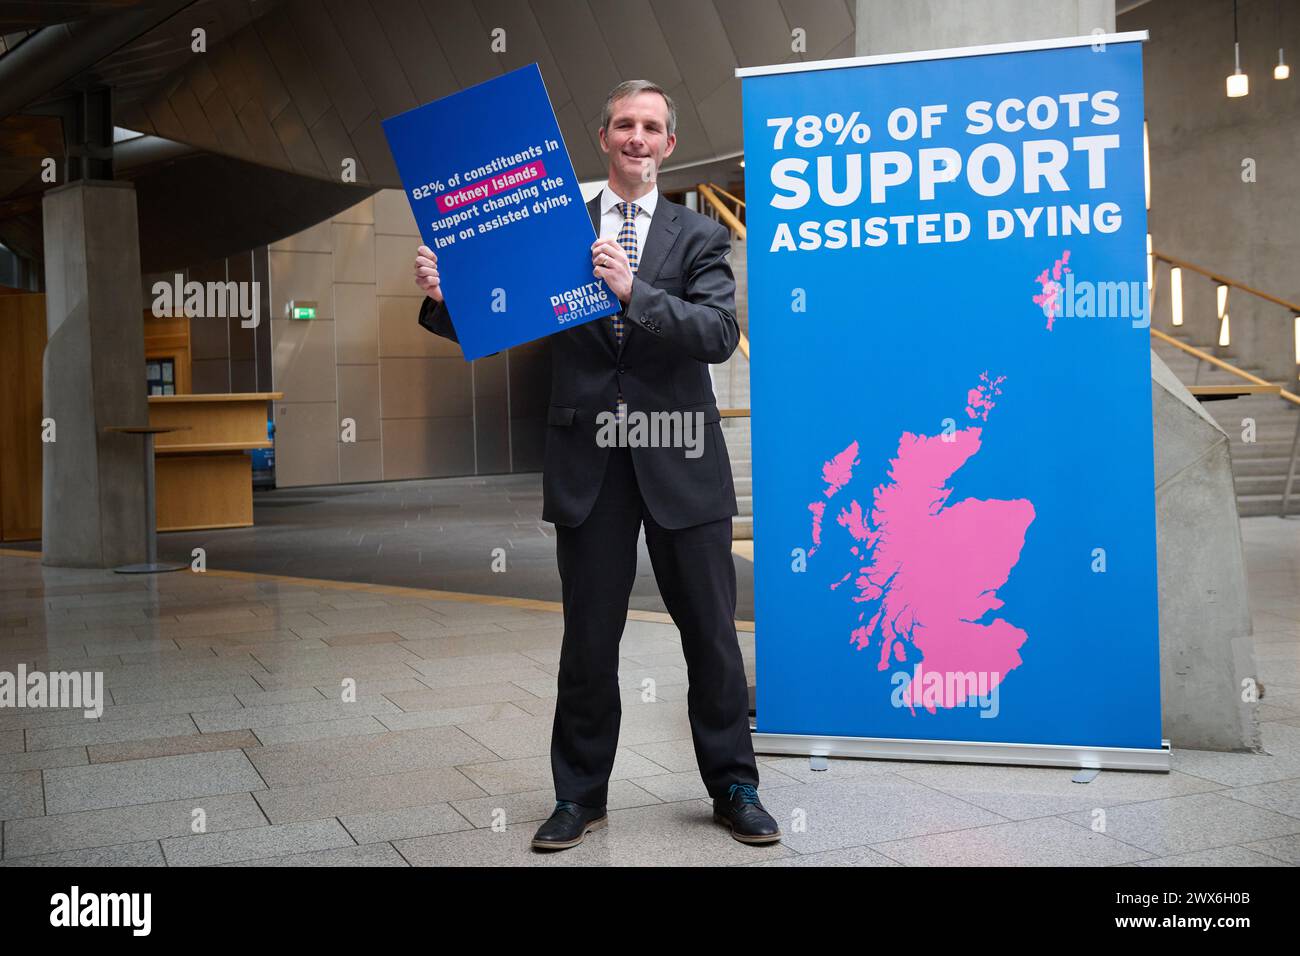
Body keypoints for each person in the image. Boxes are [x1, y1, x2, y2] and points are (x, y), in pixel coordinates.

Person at [413, 79, 779, 851]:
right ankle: (579, 796)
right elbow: (501, 314)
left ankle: (734, 786)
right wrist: (449, 297)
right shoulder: (552, 229)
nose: (637, 137)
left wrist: (632, 289)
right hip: (591, 463)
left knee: (711, 634)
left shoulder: (699, 236)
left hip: (681, 454)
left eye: (651, 127)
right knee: (588, 641)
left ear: (668, 144)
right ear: (603, 137)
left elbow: (715, 332)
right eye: (623, 124)